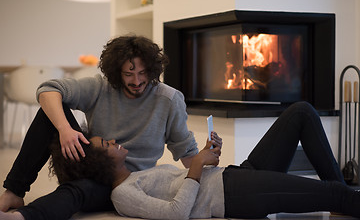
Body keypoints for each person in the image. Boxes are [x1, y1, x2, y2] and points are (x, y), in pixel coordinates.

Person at [2, 101, 359, 220]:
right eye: (105, 143)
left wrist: (207, 154)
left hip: (235, 176)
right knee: (329, 194)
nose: (113, 139)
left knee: (301, 112)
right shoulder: (122, 196)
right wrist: (197, 167)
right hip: (234, 196)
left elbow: (190, 177)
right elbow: (177, 214)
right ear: (99, 162)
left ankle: (344, 200)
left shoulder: (137, 174)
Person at [0, 35, 217, 219]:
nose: (137, 81)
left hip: (127, 182)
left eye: (143, 73)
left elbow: (186, 152)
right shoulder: (100, 87)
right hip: (91, 163)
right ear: (116, 73)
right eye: (128, 74)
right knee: (49, 114)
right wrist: (65, 128)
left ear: (152, 70)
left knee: (77, 191)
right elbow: (47, 90)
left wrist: (206, 170)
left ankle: (20, 217)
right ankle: (15, 191)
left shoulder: (169, 99)